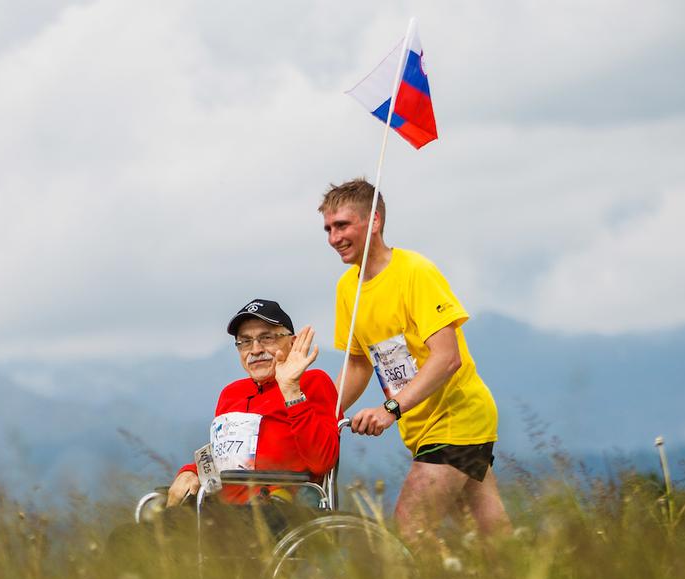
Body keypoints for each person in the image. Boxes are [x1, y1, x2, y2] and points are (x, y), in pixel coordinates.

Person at [320, 178, 511, 545]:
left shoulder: (415, 272)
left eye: (342, 225)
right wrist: (322, 412)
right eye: (328, 229)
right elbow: (360, 363)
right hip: (420, 429)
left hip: (457, 417)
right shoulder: (348, 289)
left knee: (410, 529)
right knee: (493, 539)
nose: (333, 238)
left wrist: (390, 408)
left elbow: (447, 358)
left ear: (374, 221)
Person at [166, 299, 340, 506]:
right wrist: (190, 472)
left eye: (266, 338)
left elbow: (322, 462)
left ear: (292, 343)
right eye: (245, 341)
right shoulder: (231, 393)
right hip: (221, 508)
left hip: (279, 505)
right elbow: (224, 457)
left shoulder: (313, 382)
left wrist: (291, 389)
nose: (255, 350)